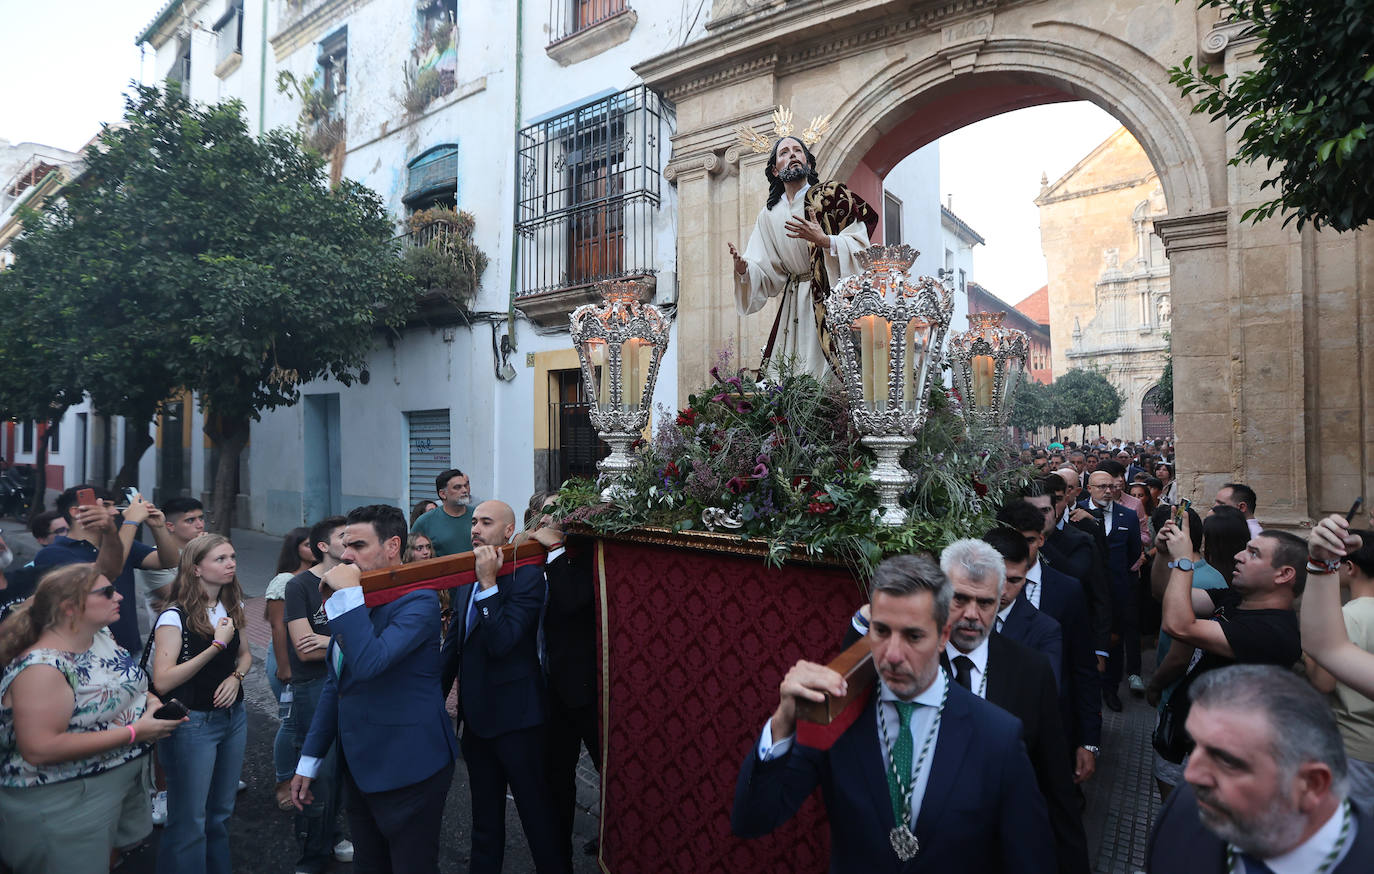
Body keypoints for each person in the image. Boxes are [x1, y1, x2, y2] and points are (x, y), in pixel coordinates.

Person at [732, 553, 1054, 873]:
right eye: (882, 632)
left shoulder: (997, 736)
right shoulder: (839, 715)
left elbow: (1030, 860)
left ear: (943, 636)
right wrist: (783, 721)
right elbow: (754, 819)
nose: (894, 655)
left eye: (913, 636)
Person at [0, 515, 184, 873]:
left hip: (112, 790)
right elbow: (39, 748)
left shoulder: (99, 636)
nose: (119, 595)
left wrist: (149, 702)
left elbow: (128, 683)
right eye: (107, 593)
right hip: (65, 802)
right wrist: (136, 732)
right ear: (70, 608)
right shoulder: (42, 667)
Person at [292, 505, 457, 874]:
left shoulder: (418, 600)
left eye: (358, 546)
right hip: (361, 766)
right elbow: (338, 685)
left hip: (411, 766)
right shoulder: (357, 597)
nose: (345, 555)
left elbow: (369, 664)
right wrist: (310, 759)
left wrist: (346, 597)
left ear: (392, 546)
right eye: (345, 545)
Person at [940, 539, 1089, 874]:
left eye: (985, 602)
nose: (971, 615)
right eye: (959, 598)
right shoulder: (913, 663)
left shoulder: (1031, 672)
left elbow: (1055, 785)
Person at [1146, 664, 1374, 873]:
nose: (1191, 776)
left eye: (1226, 760)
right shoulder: (1185, 811)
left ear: (1311, 784)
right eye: (1195, 745)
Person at [440, 500, 566, 873]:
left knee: (537, 819)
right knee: (484, 822)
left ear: (509, 531)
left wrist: (489, 584)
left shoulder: (525, 575)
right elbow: (454, 646)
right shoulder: (470, 570)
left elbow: (503, 641)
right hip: (475, 722)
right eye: (474, 521)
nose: (475, 528)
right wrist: (432, 699)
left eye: (486, 522)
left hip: (518, 723)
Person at [727, 126, 877, 378]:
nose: (793, 155)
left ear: (807, 161)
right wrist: (745, 270)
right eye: (784, 152)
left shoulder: (833, 197)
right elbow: (766, 271)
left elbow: (862, 247)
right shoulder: (769, 215)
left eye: (798, 150)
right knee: (788, 375)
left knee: (829, 376)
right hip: (795, 300)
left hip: (829, 298)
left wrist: (826, 241)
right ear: (775, 170)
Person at [150, 533, 251, 874]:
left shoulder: (232, 604)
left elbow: (247, 656)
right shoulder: (173, 616)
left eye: (232, 556)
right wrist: (216, 647)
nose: (231, 563)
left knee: (220, 814)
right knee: (189, 820)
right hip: (192, 724)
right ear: (195, 569)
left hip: (232, 717)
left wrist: (235, 678)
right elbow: (162, 680)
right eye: (220, 558)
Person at [993, 501, 1102, 784]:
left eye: (1028, 541)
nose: (1020, 550)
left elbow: (1083, 667)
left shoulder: (1067, 589)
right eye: (1012, 541)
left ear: (1041, 539)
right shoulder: (981, 592)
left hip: (1055, 729)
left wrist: (1089, 740)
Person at [520, 491, 600, 868]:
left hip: (584, 689)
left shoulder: (580, 558)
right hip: (543, 688)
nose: (562, 519)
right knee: (556, 781)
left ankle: (610, 840)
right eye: (553, 513)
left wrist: (555, 552)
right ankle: (557, 859)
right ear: (535, 520)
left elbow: (571, 601)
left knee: (607, 770)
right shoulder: (520, 558)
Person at [35, 485, 180, 655]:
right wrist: (130, 522)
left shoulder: (117, 542)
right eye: (105, 506)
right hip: (86, 652)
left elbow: (169, 561)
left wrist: (158, 527)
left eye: (113, 506)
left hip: (129, 648)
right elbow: (105, 575)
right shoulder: (53, 554)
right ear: (76, 512)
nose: (114, 512)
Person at [285, 516, 352, 872]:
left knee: (343, 768)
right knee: (317, 771)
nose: (352, 542)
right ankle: (311, 853)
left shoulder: (357, 579)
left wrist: (328, 640)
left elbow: (357, 643)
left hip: (349, 683)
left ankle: (335, 832)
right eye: (345, 537)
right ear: (323, 547)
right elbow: (303, 649)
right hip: (313, 686)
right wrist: (345, 643)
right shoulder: (300, 586)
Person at [1304, 524, 1374, 809]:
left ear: (1350, 567)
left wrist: (1321, 564)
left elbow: (1323, 681)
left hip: (1353, 746)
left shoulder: (1348, 617)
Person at [1080, 469, 1143, 711]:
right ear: (1089, 488)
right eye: (1101, 486)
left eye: (1111, 486)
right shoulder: (1077, 514)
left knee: (1114, 643)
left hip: (1117, 592)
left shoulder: (1127, 516)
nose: (1108, 490)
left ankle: (1111, 689)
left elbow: (1134, 551)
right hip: (1086, 594)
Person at [265, 527, 312, 811]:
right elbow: (276, 627)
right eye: (306, 545)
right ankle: (283, 782)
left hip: (310, 659)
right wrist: (284, 666)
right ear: (295, 549)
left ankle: (303, 779)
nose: (312, 549)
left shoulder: (319, 575)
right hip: (286, 657)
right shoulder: (284, 580)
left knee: (307, 723)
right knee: (291, 722)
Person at [134, 496, 207, 632]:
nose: (200, 525)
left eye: (201, 518)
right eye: (190, 520)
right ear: (170, 526)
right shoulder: (155, 558)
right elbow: (180, 596)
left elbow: (227, 588)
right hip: (172, 637)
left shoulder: (208, 550)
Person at [411, 469, 474, 557]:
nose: (464, 490)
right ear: (443, 494)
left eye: (465, 486)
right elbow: (410, 556)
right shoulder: (424, 522)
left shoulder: (478, 515)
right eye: (457, 487)